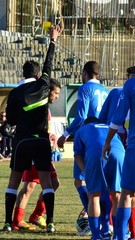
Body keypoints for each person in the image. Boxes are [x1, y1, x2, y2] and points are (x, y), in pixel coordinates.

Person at [2, 25, 61, 233]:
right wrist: (52, 40)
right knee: (47, 183)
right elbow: (49, 64)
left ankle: (9, 223)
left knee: (13, 183)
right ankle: (51, 223)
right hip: (41, 140)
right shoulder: (43, 84)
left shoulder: (14, 93)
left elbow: (10, 120)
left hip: (22, 140)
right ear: (37, 74)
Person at [57, 60, 109, 235]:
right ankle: (107, 220)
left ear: (85, 73)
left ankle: (91, 217)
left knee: (81, 180)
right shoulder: (105, 91)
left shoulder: (85, 88)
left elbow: (81, 117)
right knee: (104, 183)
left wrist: (65, 134)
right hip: (105, 137)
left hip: (88, 138)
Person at [11, 78, 62, 231]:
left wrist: (51, 135)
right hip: (35, 150)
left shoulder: (46, 108)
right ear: (48, 92)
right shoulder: (38, 105)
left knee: (52, 184)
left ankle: (34, 215)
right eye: (56, 93)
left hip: (41, 149)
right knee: (30, 186)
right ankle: (18, 220)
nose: (57, 96)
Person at [102, 66, 135, 240]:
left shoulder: (132, 85)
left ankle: (121, 236)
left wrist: (107, 142)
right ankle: (134, 234)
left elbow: (118, 117)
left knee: (127, 192)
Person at [74, 117, 125, 240]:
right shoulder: (108, 127)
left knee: (94, 196)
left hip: (96, 154)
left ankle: (96, 236)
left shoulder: (81, 130)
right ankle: (117, 234)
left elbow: (77, 155)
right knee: (117, 196)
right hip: (119, 153)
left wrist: (86, 172)